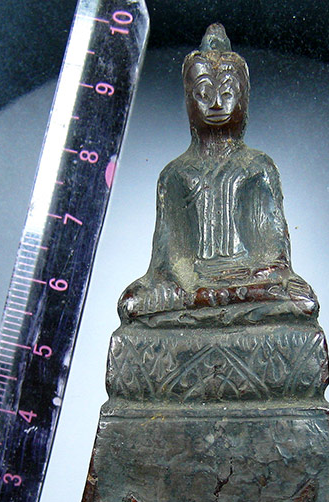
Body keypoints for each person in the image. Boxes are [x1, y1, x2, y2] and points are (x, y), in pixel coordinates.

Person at [118, 23, 318, 327]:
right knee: (133, 303)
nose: (215, 103)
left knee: (300, 300)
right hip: (190, 288)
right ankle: (213, 307)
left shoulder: (258, 167)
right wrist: (184, 284)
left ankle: (210, 309)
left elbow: (273, 252)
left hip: (247, 283)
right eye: (203, 93)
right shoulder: (174, 174)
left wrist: (257, 276)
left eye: (226, 93)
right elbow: (166, 258)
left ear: (243, 98)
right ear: (189, 100)